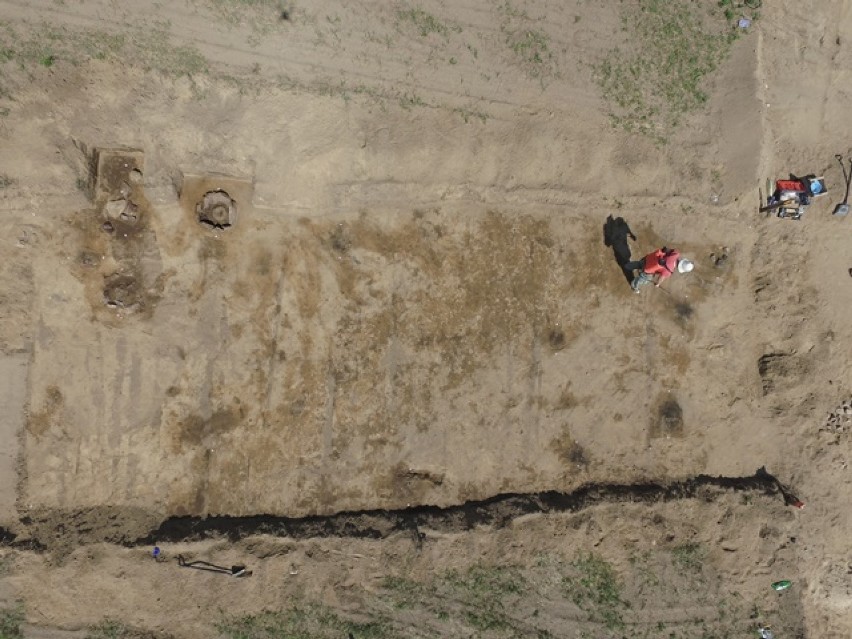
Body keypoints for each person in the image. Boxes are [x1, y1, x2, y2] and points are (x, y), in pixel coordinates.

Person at [624, 247, 693, 293]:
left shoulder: (675, 254)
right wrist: (658, 284)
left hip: (649, 259)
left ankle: (627, 266)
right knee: (643, 280)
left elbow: (666, 250)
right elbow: (661, 278)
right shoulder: (669, 271)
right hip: (648, 269)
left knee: (638, 264)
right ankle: (634, 286)